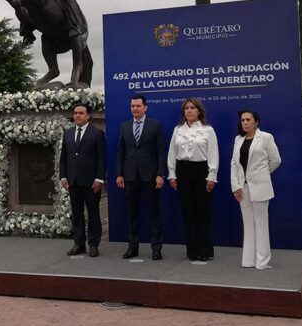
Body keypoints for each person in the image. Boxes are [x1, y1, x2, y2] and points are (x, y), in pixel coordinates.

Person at [167, 98, 218, 261]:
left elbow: (213, 154)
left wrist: (212, 176)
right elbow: (172, 154)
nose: (189, 110)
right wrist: (172, 174)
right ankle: (192, 251)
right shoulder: (178, 130)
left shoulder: (208, 130)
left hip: (201, 171)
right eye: (186, 108)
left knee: (202, 212)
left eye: (192, 108)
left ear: (199, 111)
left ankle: (204, 251)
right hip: (183, 171)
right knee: (187, 212)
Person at [116, 94, 167, 260]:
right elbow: (121, 152)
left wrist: (160, 174)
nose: (135, 109)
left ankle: (156, 248)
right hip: (130, 176)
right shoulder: (124, 126)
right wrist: (119, 174)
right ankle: (133, 247)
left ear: (145, 107)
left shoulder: (155, 125)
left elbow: (161, 151)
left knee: (154, 215)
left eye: (138, 106)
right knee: (132, 214)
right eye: (132, 106)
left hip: (150, 177)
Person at [229, 110, 281, 269]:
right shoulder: (238, 139)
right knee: (248, 224)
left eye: (248, 120)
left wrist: (262, 174)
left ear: (256, 122)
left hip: (260, 186)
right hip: (242, 188)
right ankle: (248, 261)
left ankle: (262, 261)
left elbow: (276, 160)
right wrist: (236, 186)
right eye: (243, 120)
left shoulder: (266, 137)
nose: (245, 122)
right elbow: (234, 165)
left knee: (261, 224)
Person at [60, 104, 106, 257]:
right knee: (77, 214)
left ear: (88, 116)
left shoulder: (97, 133)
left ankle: (93, 244)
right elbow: (64, 157)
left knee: (93, 214)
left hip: (91, 181)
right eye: (75, 113)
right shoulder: (68, 133)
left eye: (81, 113)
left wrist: (99, 178)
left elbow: (101, 158)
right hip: (73, 181)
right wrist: (63, 176)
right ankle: (78, 244)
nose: (77, 115)